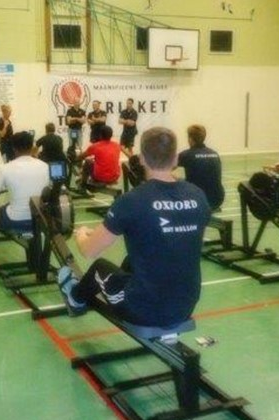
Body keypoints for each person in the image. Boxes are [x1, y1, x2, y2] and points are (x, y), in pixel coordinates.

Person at [57, 127, 210, 325]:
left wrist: (82, 235)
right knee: (132, 261)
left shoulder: (132, 200)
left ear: (142, 159)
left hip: (143, 310)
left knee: (99, 268)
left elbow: (88, 251)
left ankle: (75, 299)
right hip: (185, 306)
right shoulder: (198, 195)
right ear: (175, 160)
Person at [0, 131, 50, 233]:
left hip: (15, 221)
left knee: (1, 210)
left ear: (13, 148)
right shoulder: (45, 166)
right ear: (32, 147)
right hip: (41, 221)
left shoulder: (5, 169)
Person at [178, 124, 225, 211]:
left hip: (197, 200)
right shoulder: (214, 154)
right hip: (217, 199)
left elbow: (167, 168)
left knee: (176, 182)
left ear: (190, 139)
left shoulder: (186, 155)